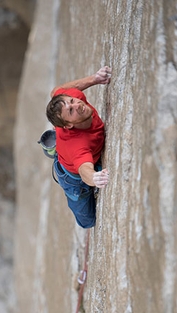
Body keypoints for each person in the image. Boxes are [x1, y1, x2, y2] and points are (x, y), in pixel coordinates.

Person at [45, 66, 112, 228]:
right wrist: (94, 178)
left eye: (72, 101)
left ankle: (54, 146)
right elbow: (84, 170)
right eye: (71, 111)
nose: (78, 105)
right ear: (68, 125)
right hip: (72, 179)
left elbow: (55, 91)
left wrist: (94, 79)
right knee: (87, 221)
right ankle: (55, 150)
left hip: (70, 151)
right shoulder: (78, 146)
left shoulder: (73, 99)